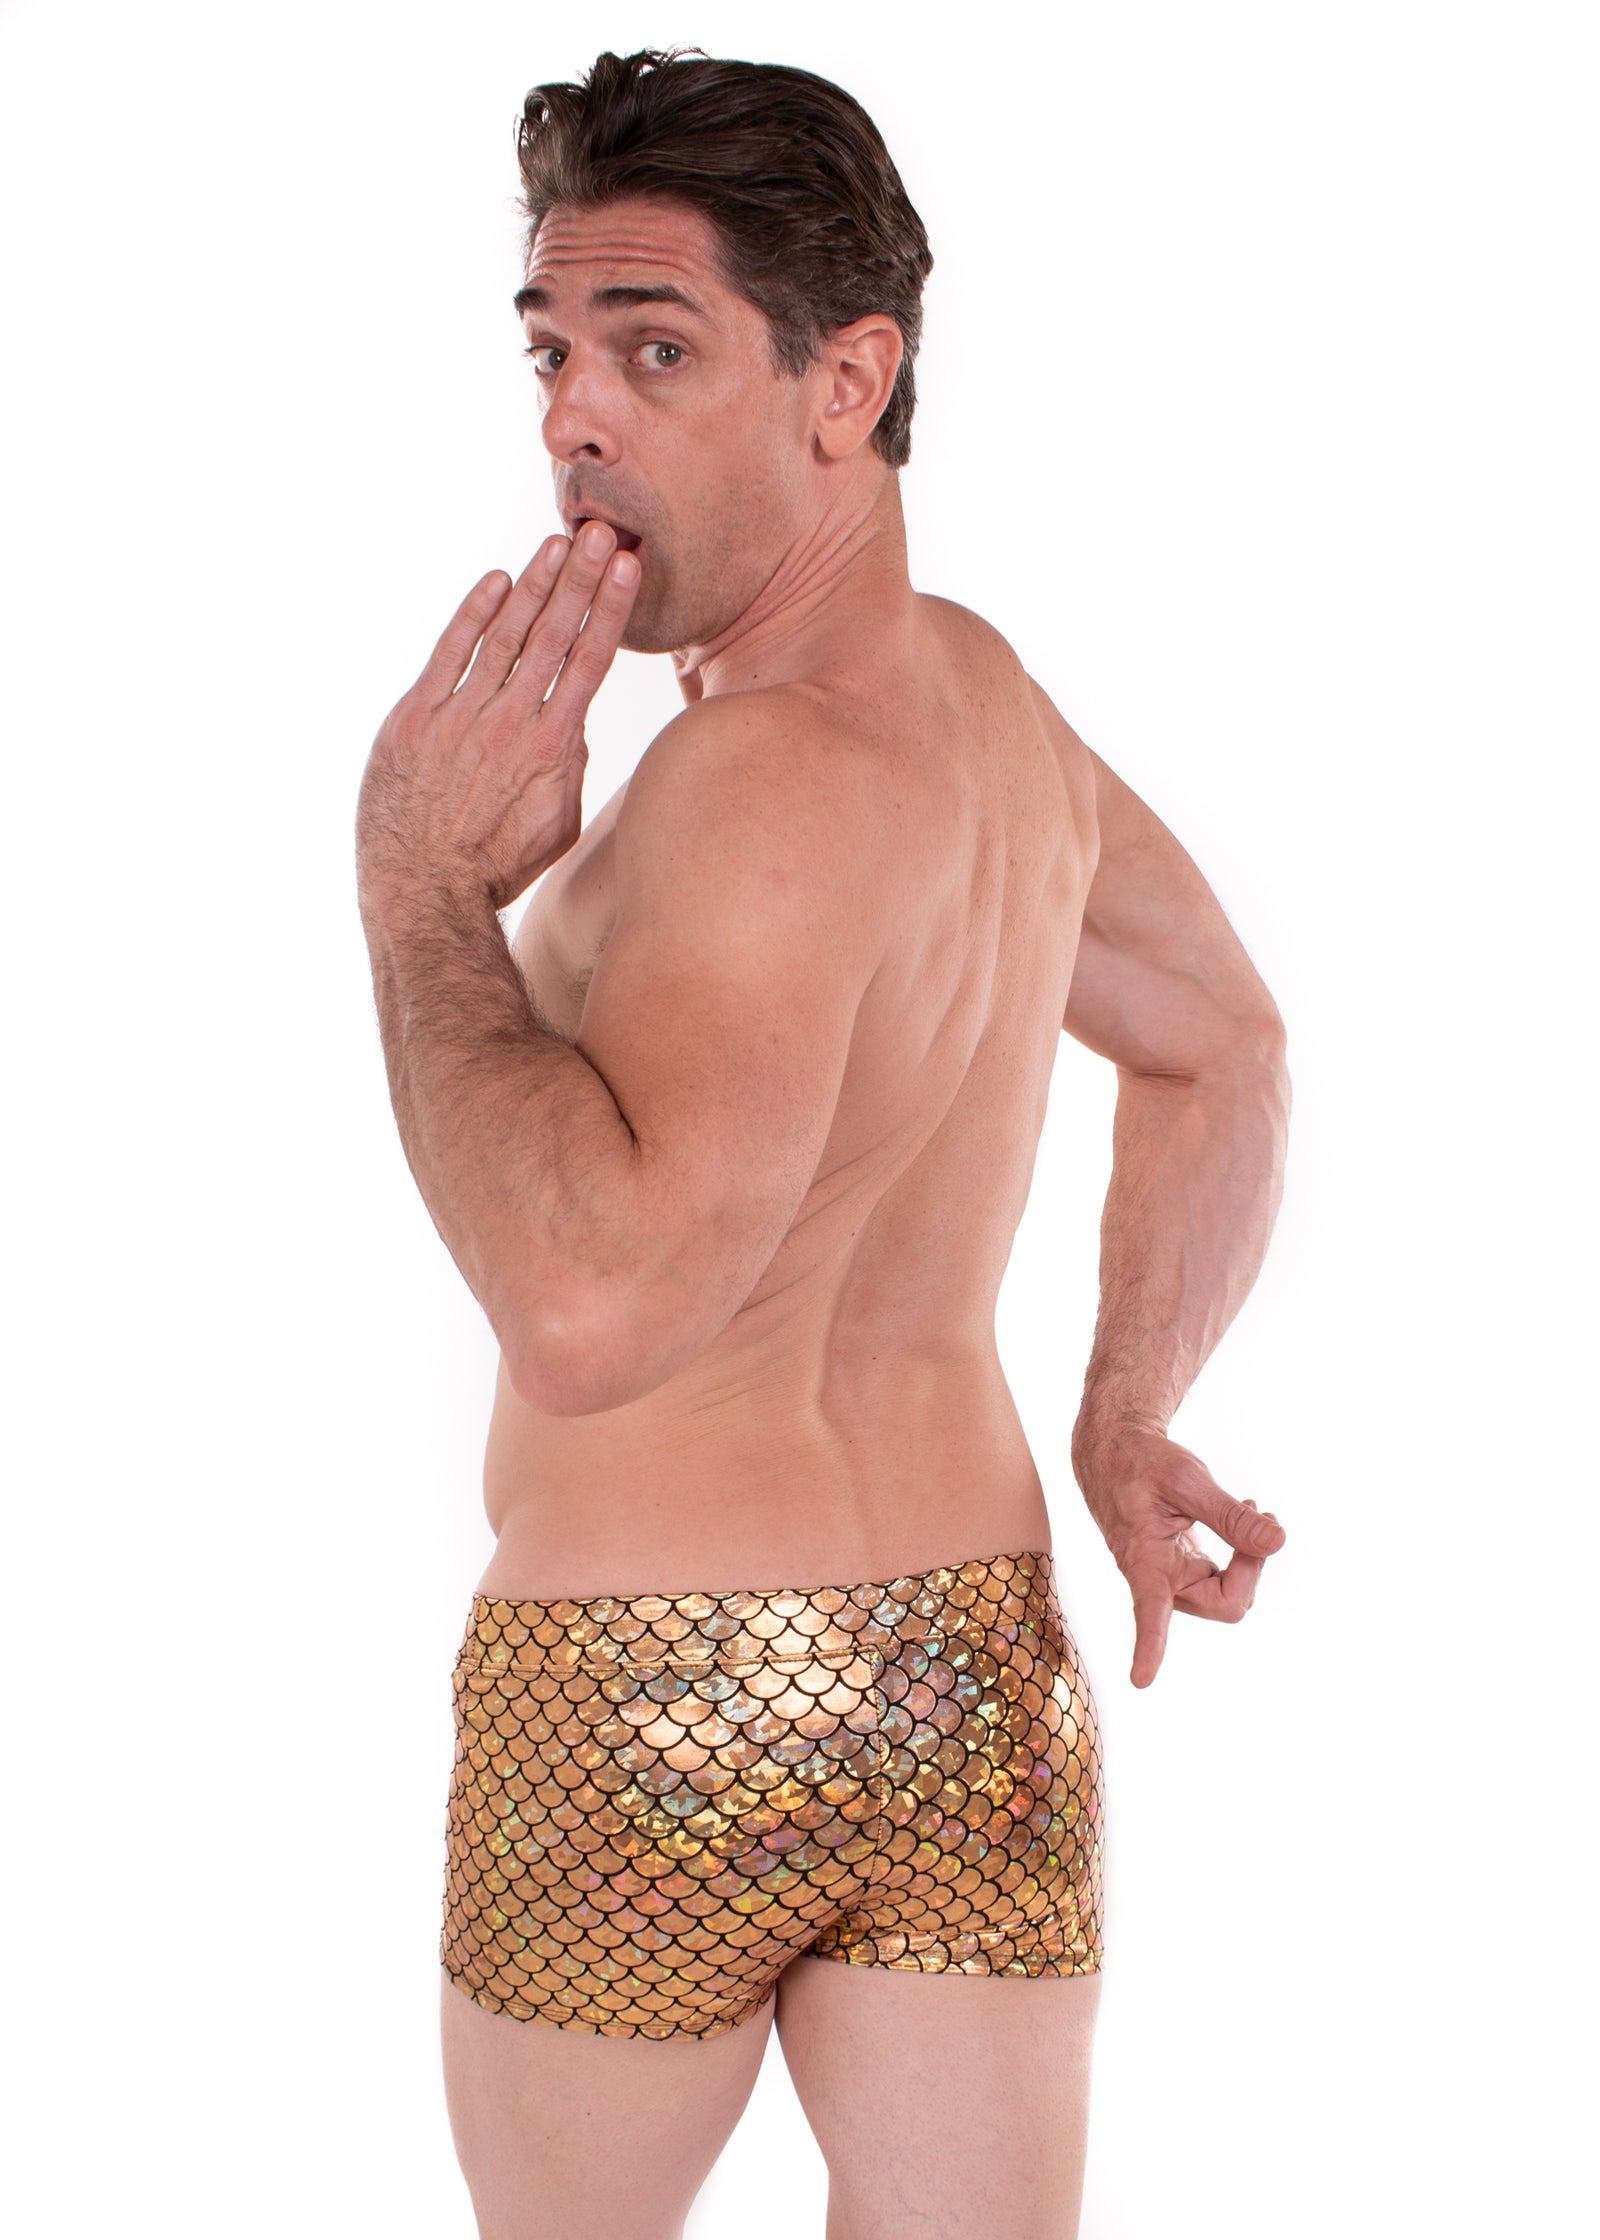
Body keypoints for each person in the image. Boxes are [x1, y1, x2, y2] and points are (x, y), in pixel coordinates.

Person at [355, 46, 1290, 2240]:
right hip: (969, 1663)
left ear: (844, 383)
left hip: (644, 1683)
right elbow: (1222, 1045)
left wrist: (415, 891)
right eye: (552, 351)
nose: (577, 417)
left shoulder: (749, 779)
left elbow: (593, 1314)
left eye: (656, 349)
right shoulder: (991, 712)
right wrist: (1124, 1409)